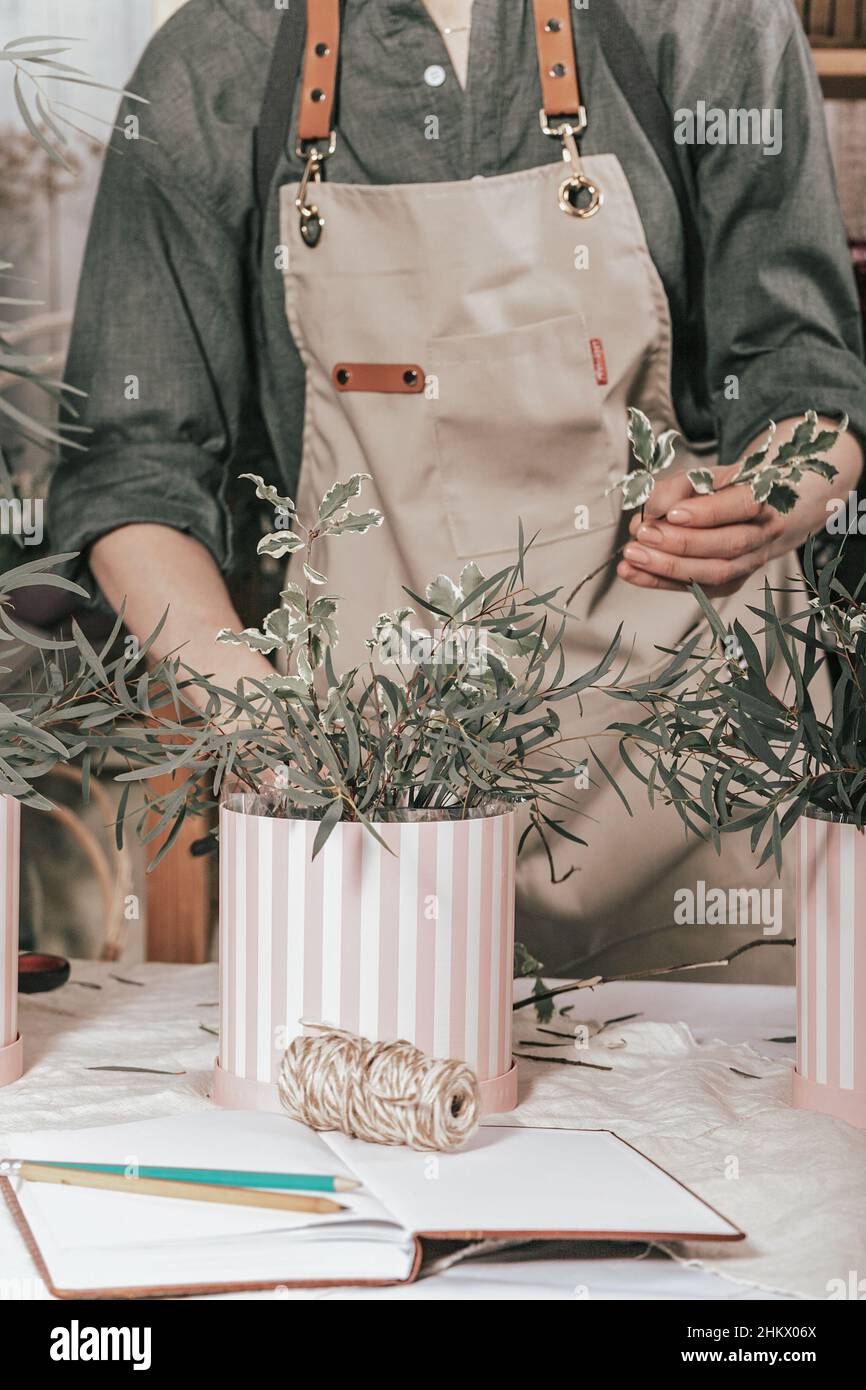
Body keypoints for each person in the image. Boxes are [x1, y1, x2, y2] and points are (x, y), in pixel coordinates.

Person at [50, 0, 866, 972]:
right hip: (364, 802)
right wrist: (280, 739)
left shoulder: (707, 21)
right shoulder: (211, 63)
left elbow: (805, 378)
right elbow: (132, 474)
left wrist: (767, 497)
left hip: (693, 786)